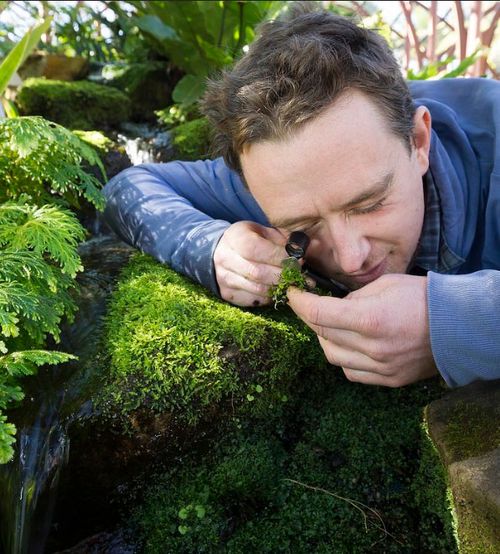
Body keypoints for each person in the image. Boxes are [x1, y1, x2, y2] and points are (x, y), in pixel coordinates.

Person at [103, 4, 500, 389]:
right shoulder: (274, 173)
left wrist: (452, 326)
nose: (351, 259)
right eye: (302, 227)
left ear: (418, 142)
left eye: (370, 204)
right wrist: (212, 247)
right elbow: (125, 189)